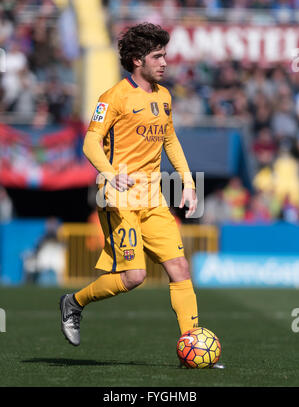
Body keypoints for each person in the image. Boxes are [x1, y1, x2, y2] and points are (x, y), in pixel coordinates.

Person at [60, 22, 199, 346]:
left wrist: (188, 184)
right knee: (133, 277)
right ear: (138, 59)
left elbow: (170, 140)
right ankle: (74, 302)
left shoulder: (164, 97)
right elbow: (90, 143)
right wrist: (110, 174)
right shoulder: (114, 97)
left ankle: (192, 344)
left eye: (165, 55)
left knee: (180, 267)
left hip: (153, 199)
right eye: (158, 56)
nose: (165, 62)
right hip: (119, 199)